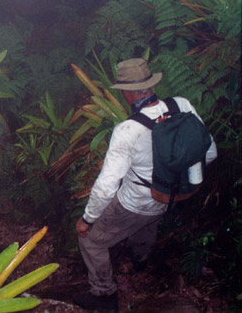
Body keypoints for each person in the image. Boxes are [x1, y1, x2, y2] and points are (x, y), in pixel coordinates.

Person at [73, 58, 217, 311]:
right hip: (178, 192)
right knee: (148, 220)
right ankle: (140, 260)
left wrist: (88, 219)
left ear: (127, 93)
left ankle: (104, 295)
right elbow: (210, 151)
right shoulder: (181, 105)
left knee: (90, 240)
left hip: (138, 202)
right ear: (150, 85)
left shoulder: (128, 130)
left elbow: (107, 185)